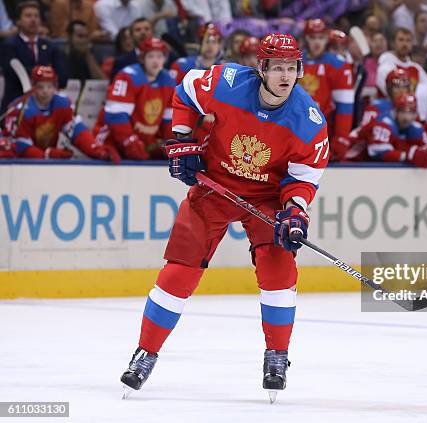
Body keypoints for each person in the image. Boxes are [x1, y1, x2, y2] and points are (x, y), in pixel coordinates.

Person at [119, 33, 329, 400]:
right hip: (213, 187)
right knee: (178, 271)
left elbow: (303, 179)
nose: (285, 75)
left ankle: (277, 356)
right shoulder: (228, 83)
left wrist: (295, 212)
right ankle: (145, 353)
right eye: (277, 67)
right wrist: (182, 139)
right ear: (261, 68)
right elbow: (185, 90)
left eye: (291, 68)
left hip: (266, 198)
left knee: (278, 268)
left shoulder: (308, 120)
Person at [9, 65, 119, 162]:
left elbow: (76, 131)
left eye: (50, 86)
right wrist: (47, 155)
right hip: (17, 161)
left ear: (55, 87)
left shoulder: (62, 104)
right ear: (33, 88)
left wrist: (96, 150)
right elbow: (20, 145)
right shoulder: (22, 109)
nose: (45, 91)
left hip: (42, 160)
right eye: (40, 87)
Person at [94, 38, 174, 160]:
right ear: (142, 58)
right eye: (151, 56)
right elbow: (116, 116)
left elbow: (169, 120)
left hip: (145, 143)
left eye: (159, 56)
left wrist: (169, 143)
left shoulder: (168, 80)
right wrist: (128, 142)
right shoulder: (127, 76)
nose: (155, 61)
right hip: (112, 140)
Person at [299, 19, 354, 157]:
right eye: (313, 37)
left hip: (324, 134)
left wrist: (341, 138)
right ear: (306, 38)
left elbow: (345, 108)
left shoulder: (339, 66)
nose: (317, 42)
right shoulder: (295, 62)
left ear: (327, 38)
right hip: (295, 129)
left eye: (321, 38)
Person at [1, 1, 68, 112]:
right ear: (18, 21)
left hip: (48, 106)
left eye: (36, 16)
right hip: (17, 105)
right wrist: (46, 75)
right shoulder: (9, 46)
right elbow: (15, 74)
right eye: (28, 16)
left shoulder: (51, 46)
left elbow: (62, 76)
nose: (33, 20)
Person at [349, 93, 427, 166]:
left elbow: (424, 151)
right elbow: (378, 153)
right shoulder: (384, 123)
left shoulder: (416, 128)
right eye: (403, 111)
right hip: (349, 161)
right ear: (395, 111)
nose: (407, 117)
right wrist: (406, 155)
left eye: (411, 112)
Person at [376, 27, 427, 121]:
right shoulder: (385, 65)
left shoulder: (416, 68)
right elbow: (392, 94)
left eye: (408, 40)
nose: (405, 44)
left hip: (412, 113)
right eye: (401, 40)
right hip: (388, 114)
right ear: (393, 43)